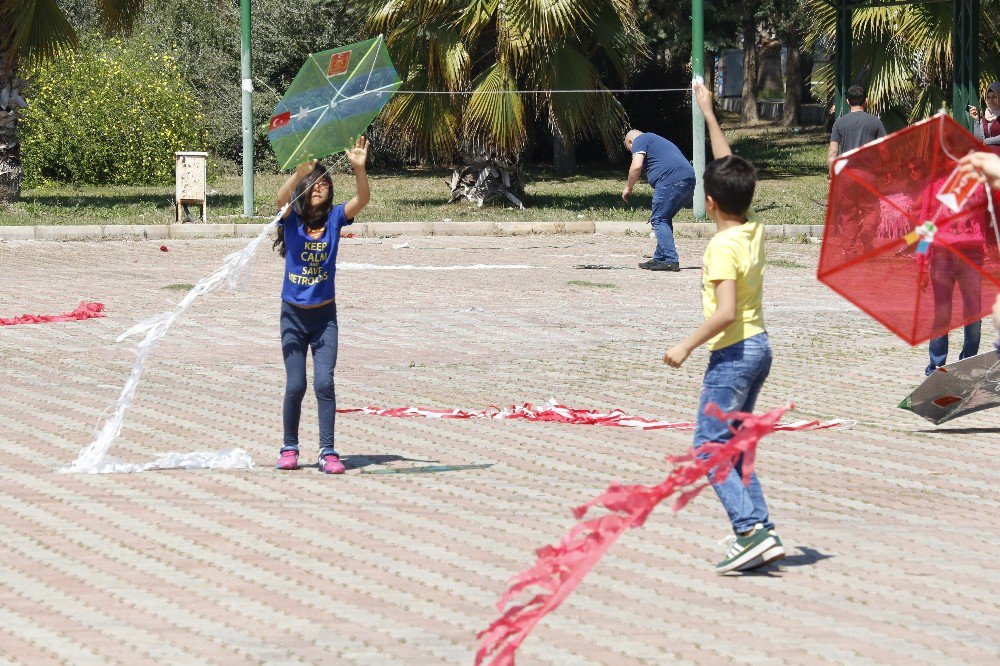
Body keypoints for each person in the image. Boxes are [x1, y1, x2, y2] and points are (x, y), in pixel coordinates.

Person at [663, 81, 783, 573]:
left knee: (709, 447)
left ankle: (748, 531)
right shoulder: (750, 229)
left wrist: (685, 346)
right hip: (760, 349)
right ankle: (762, 528)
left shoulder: (719, 249)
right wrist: (709, 114)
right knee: (734, 444)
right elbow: (729, 167)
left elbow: (725, 311)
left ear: (708, 202)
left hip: (732, 355)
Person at [273, 136, 370, 474]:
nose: (319, 187)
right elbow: (281, 199)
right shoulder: (290, 220)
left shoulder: (335, 220)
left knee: (324, 383)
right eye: (313, 183)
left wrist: (359, 169)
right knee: (296, 384)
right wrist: (299, 173)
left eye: (324, 183)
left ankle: (328, 451)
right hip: (293, 317)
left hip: (325, 318)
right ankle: (289, 447)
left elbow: (362, 199)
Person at [622, 129, 696, 271]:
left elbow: (636, 166)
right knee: (663, 218)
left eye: (629, 149)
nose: (631, 151)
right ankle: (660, 258)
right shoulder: (657, 140)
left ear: (630, 142)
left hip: (670, 180)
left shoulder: (640, 140)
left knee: (659, 219)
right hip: (688, 181)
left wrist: (628, 188)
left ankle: (670, 259)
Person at [828, 86, 887, 257]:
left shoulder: (839, 123)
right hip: (869, 175)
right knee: (872, 210)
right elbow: (884, 149)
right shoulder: (875, 121)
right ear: (865, 100)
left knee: (848, 214)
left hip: (847, 175)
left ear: (847, 101)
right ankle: (867, 231)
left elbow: (833, 152)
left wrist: (832, 175)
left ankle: (850, 251)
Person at [969, 82, 1000, 156]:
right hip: (986, 156)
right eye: (988, 97)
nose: (991, 100)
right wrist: (976, 120)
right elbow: (979, 139)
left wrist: (987, 141)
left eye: (994, 97)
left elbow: (984, 141)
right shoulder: (984, 117)